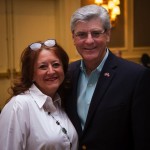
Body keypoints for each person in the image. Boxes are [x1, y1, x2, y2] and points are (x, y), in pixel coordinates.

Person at [64, 4, 150, 150]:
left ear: (108, 34)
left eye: (96, 33)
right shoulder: (67, 74)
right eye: (82, 34)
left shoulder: (136, 76)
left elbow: (143, 138)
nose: (89, 41)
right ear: (73, 37)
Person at [0, 39, 78, 150]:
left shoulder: (60, 102)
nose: (51, 71)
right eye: (43, 67)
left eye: (56, 64)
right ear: (31, 74)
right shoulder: (19, 106)